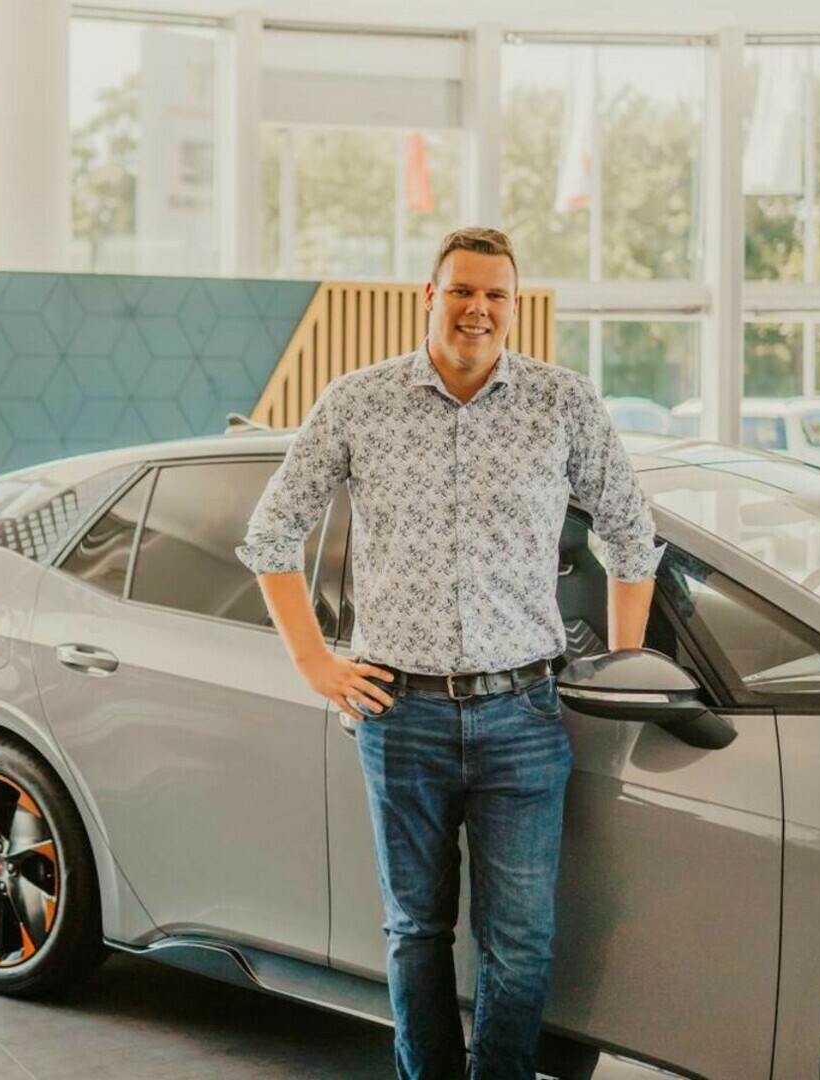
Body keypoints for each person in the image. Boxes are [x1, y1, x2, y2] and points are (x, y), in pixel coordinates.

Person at [236, 226, 661, 1080]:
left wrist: (624, 673)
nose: (478, 308)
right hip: (401, 715)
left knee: (521, 942)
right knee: (415, 931)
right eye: (462, 290)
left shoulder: (562, 402)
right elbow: (270, 535)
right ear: (430, 296)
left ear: (514, 305)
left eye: (495, 294)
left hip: (524, 716)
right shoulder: (360, 401)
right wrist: (315, 664)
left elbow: (632, 539)